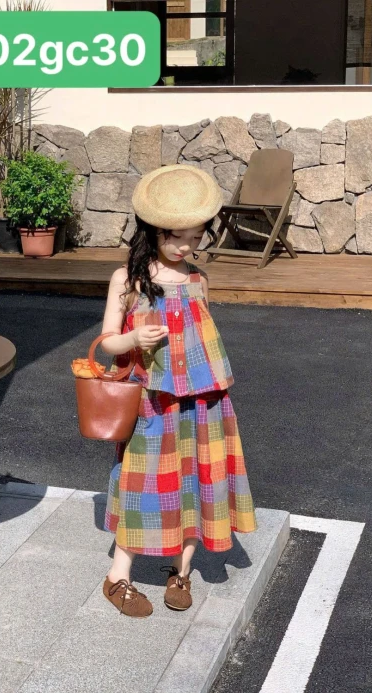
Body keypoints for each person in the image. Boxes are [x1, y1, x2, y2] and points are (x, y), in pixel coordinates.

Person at [100, 164, 257, 618]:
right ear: (153, 231)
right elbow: (107, 340)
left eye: (195, 237)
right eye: (176, 237)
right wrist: (132, 339)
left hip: (205, 402)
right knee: (141, 483)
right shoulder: (127, 280)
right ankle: (117, 576)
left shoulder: (198, 280)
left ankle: (181, 569)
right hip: (151, 402)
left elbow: (199, 340)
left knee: (197, 479)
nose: (186, 246)